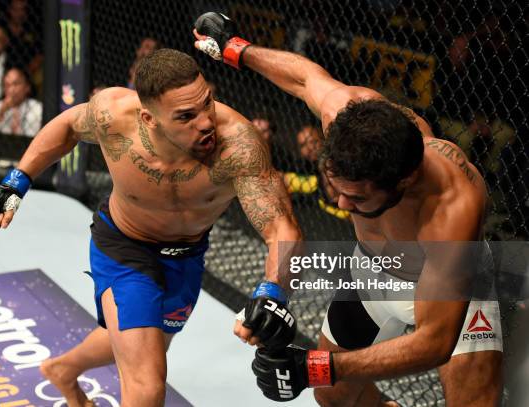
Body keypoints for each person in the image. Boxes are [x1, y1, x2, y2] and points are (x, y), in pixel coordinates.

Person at [194, 12, 502, 407]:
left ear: (402, 181)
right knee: (334, 397)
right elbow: (306, 78)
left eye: (357, 199)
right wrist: (234, 49)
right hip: (372, 271)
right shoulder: (350, 114)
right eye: (337, 189)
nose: (341, 204)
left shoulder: (452, 205)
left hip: (453, 289)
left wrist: (314, 366)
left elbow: (434, 342)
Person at [0, 49, 301, 407]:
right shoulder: (114, 115)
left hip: (187, 257)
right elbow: (67, 126)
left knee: (149, 341)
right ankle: (68, 369)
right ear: (149, 118)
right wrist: (15, 182)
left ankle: (64, 369)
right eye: (186, 116)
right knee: (146, 385)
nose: (206, 122)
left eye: (208, 103)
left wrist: (273, 291)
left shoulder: (238, 146)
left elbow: (281, 226)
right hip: (123, 249)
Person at [0, 67, 42, 137]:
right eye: (7, 85)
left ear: (27, 87)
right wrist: (0, 114)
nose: (11, 90)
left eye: (16, 84)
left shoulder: (38, 109)